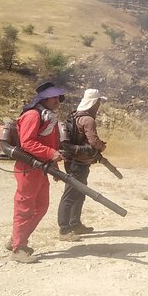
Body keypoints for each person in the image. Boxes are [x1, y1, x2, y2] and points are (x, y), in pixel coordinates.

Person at [6, 82, 66, 263]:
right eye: (53, 97)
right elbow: (27, 143)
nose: (57, 100)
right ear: (44, 99)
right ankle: (18, 249)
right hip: (28, 167)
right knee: (24, 208)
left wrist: (54, 168)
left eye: (58, 97)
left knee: (41, 206)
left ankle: (17, 238)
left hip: (41, 168)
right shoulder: (33, 115)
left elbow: (52, 145)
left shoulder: (50, 117)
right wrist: (51, 154)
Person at [57, 89, 107, 241]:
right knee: (71, 194)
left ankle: (75, 224)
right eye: (98, 101)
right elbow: (93, 141)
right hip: (79, 163)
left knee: (79, 193)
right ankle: (64, 230)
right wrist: (102, 147)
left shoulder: (74, 116)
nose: (99, 105)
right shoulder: (88, 120)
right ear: (93, 103)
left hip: (73, 161)